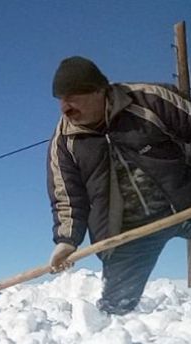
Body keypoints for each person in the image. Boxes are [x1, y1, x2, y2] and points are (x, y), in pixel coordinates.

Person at [47, 56, 191, 314]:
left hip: (184, 203)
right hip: (127, 230)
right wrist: (67, 241)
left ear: (100, 90)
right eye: (60, 98)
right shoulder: (65, 141)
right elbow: (68, 197)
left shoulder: (150, 100)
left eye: (73, 96)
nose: (65, 108)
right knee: (115, 311)